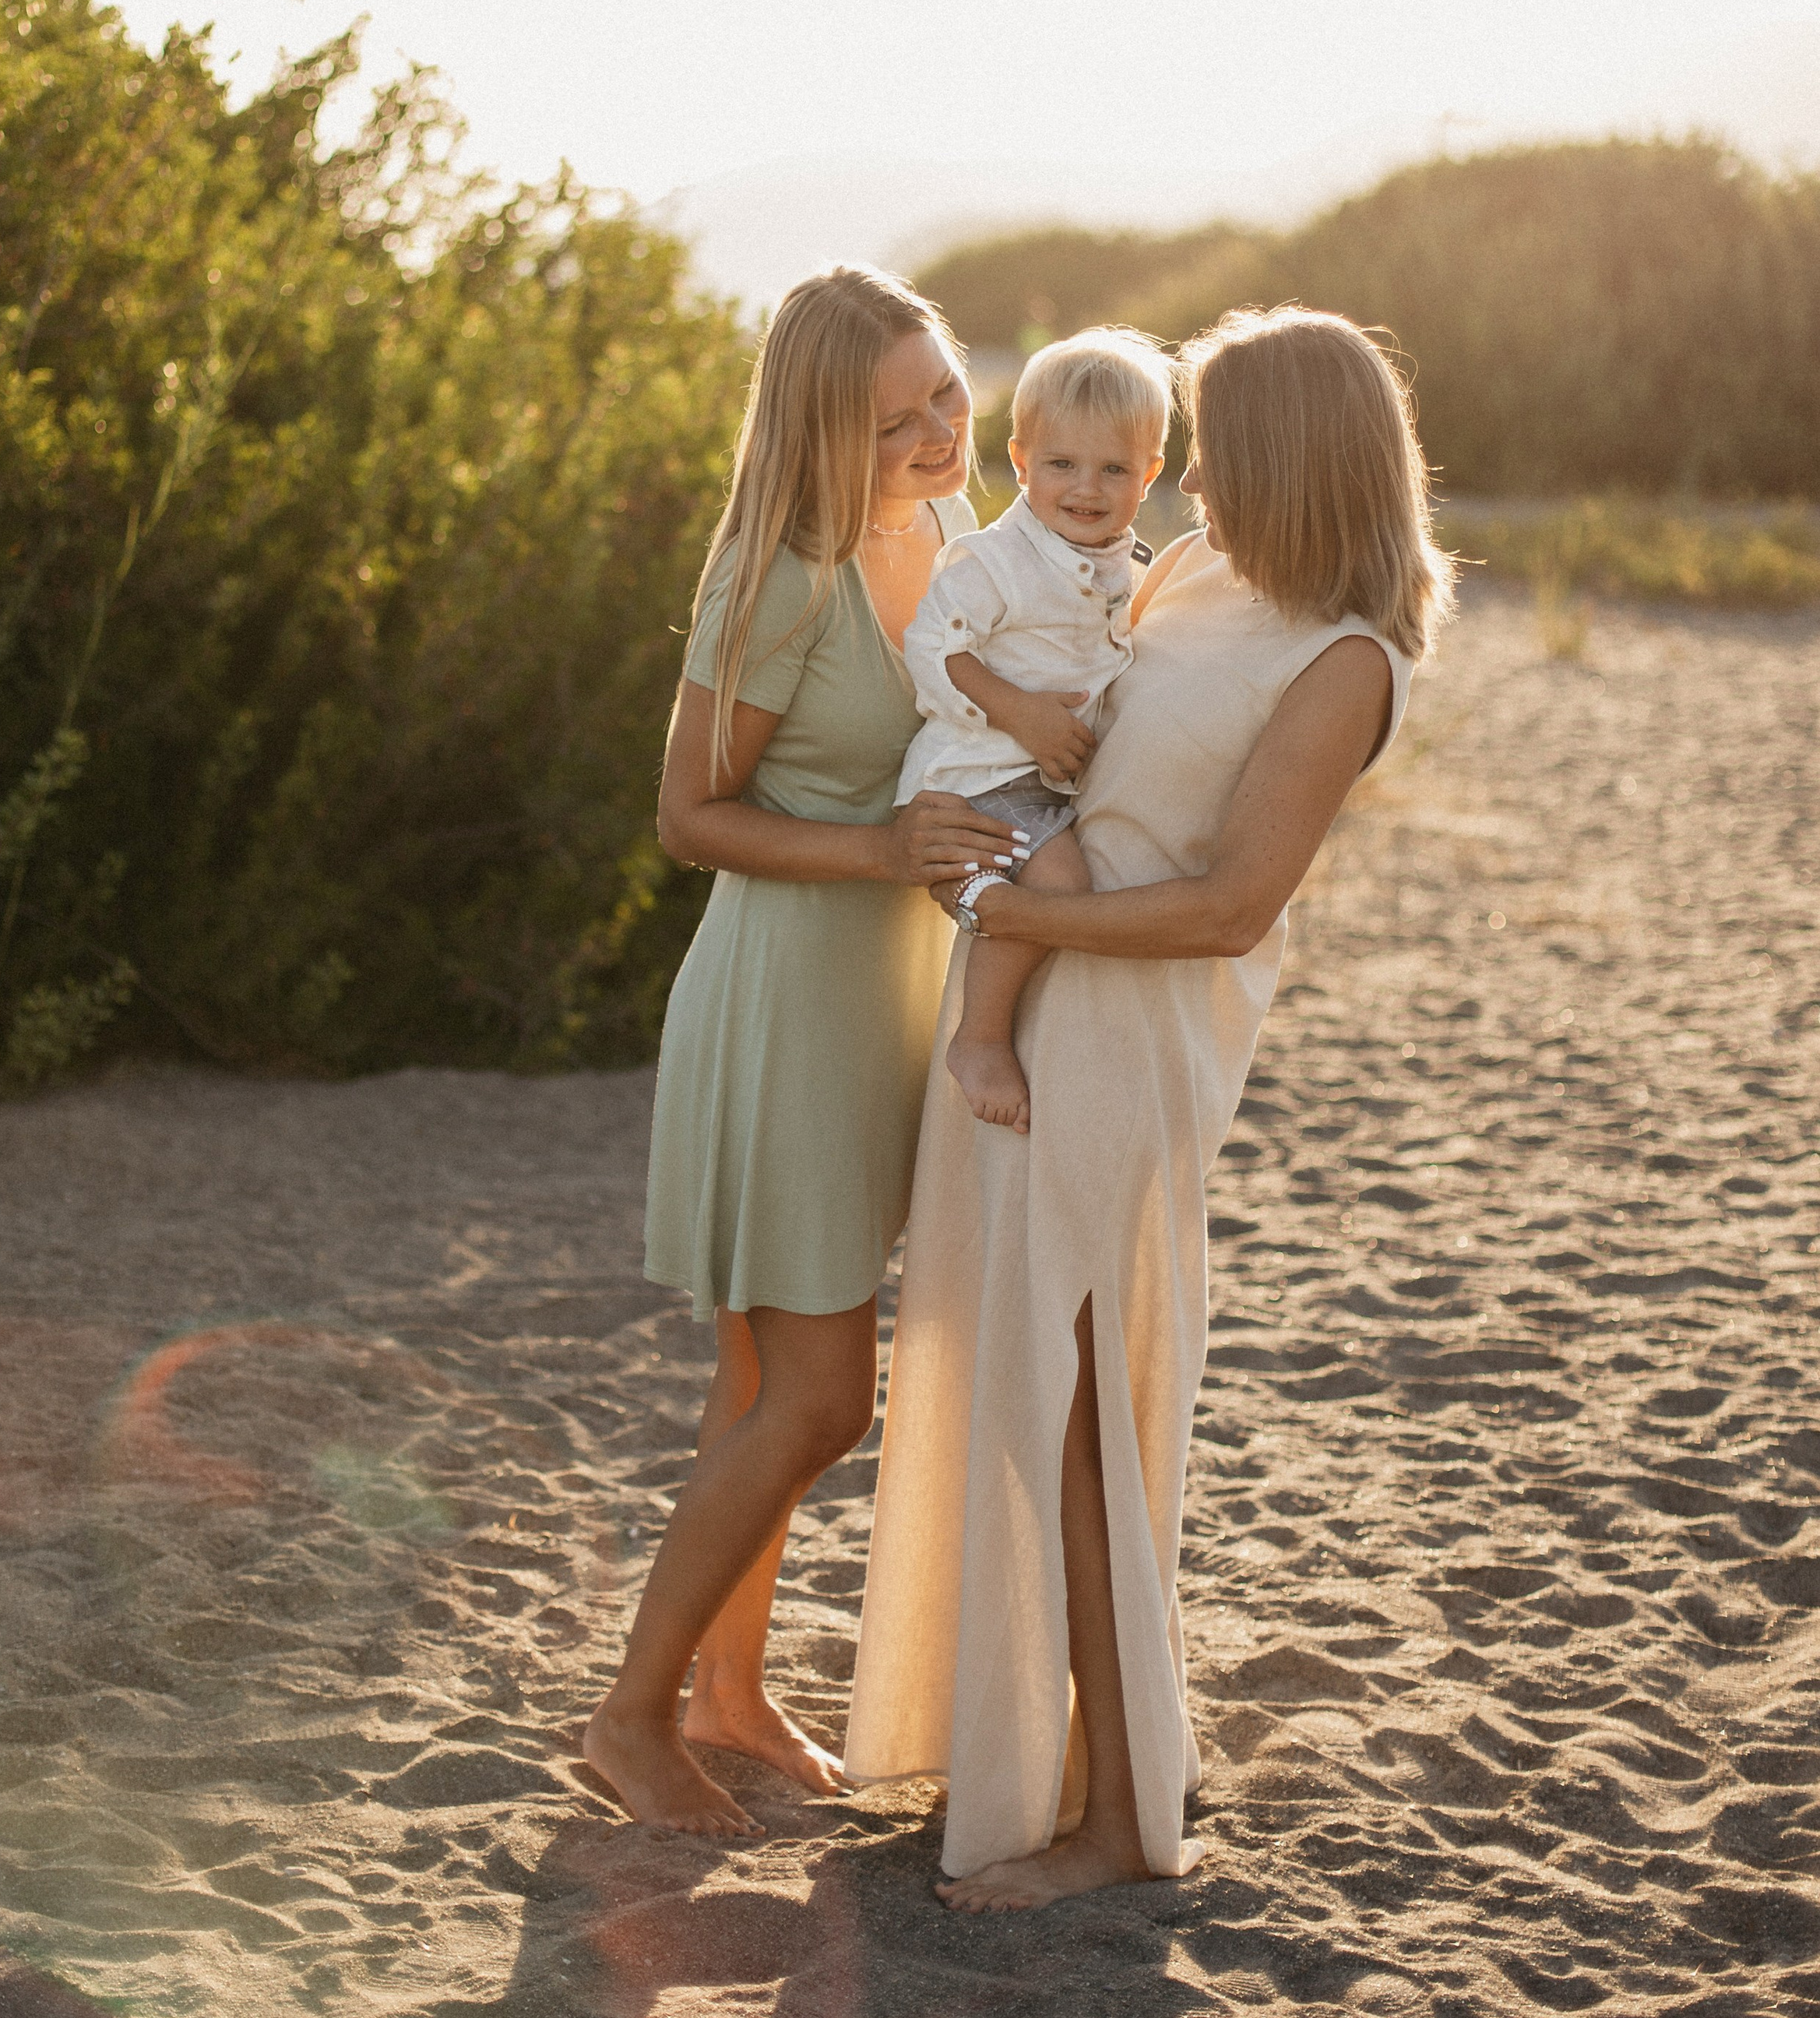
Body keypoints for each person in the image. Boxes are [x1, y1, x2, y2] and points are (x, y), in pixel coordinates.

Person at [843, 305, 1455, 1908]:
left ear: (1294, 458)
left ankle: (1121, 1828)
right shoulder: (1192, 575)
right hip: (1025, 1005)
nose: (1184, 475)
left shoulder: (1343, 660)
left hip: (1124, 1041)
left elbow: (1223, 907)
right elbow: (1037, 732)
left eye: (1215, 446)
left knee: (1085, 1424)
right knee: (1006, 1399)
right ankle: (1023, 1761)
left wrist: (1012, 917)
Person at [583, 266, 1023, 1839]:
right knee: (822, 1399)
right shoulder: (775, 577)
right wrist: (884, 847)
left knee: (762, 1383)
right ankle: (629, 1718)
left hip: (882, 1000)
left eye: (943, 397)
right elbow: (686, 816)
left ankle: (728, 1694)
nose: (929, 434)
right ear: (819, 429)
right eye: (891, 418)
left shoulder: (952, 549)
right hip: (779, 1004)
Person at [897, 327, 1172, 1132]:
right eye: (1061, 465)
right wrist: (1016, 710)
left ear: (1148, 473)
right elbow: (933, 646)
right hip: (978, 773)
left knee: (1066, 874)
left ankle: (976, 899)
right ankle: (979, 1039)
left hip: (1043, 783)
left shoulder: (1133, 567)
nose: (1085, 488)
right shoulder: (994, 563)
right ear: (1020, 462)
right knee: (1060, 884)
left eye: (1113, 469)